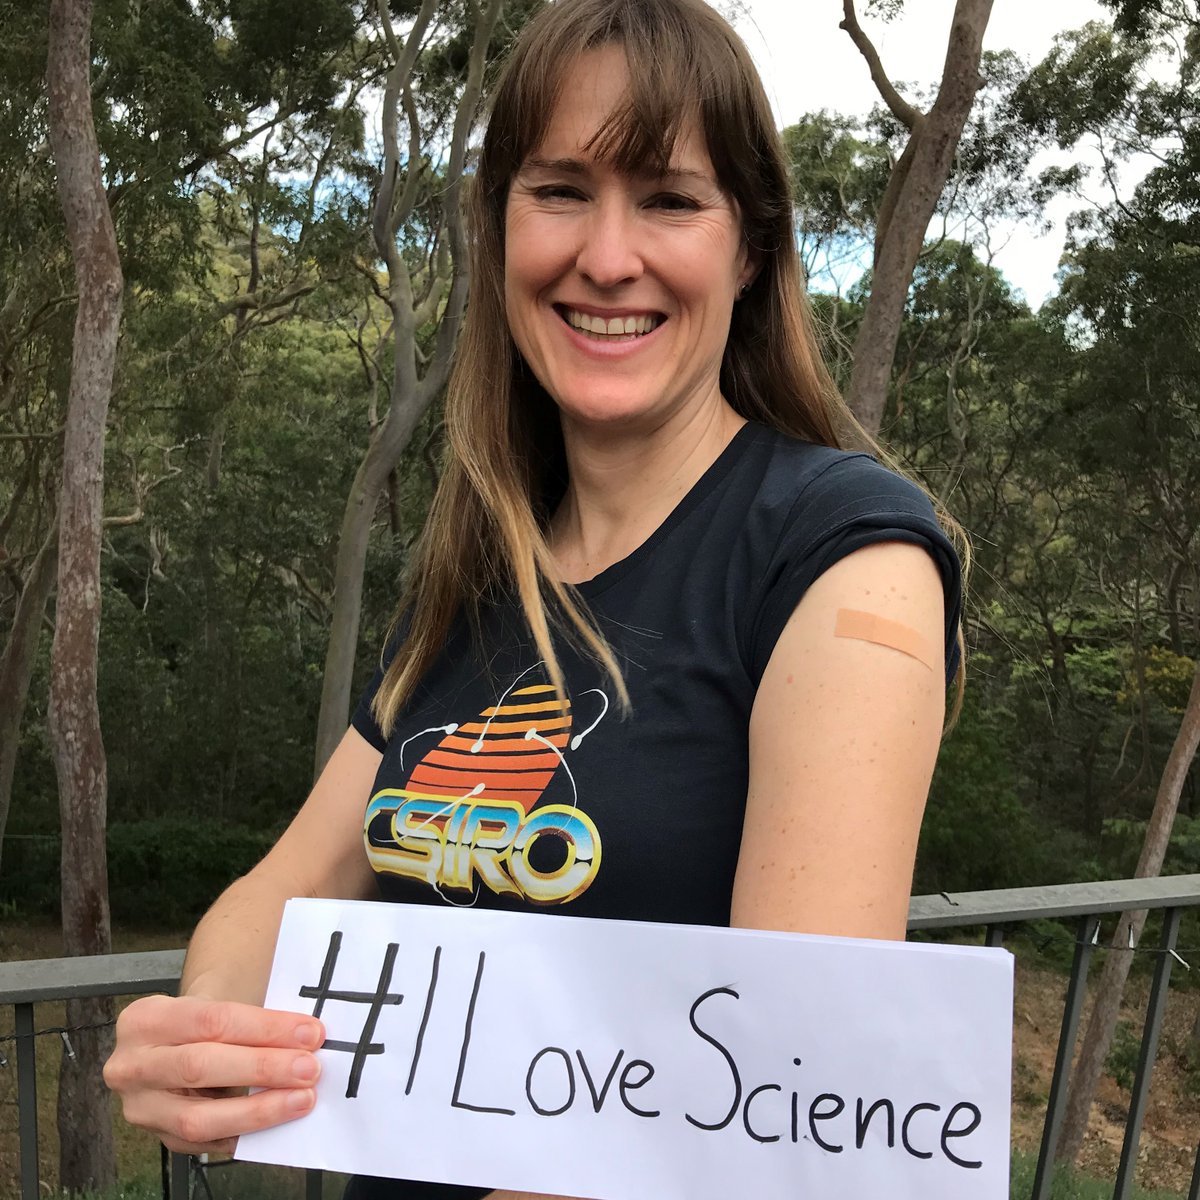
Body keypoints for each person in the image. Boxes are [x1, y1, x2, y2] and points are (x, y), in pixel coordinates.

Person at [104, 0, 965, 1196]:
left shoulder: (842, 555)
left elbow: (785, 1102)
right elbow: (285, 891)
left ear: (751, 247)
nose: (607, 257)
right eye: (560, 190)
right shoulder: (475, 577)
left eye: (669, 198)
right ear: (500, 224)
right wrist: (207, 1030)